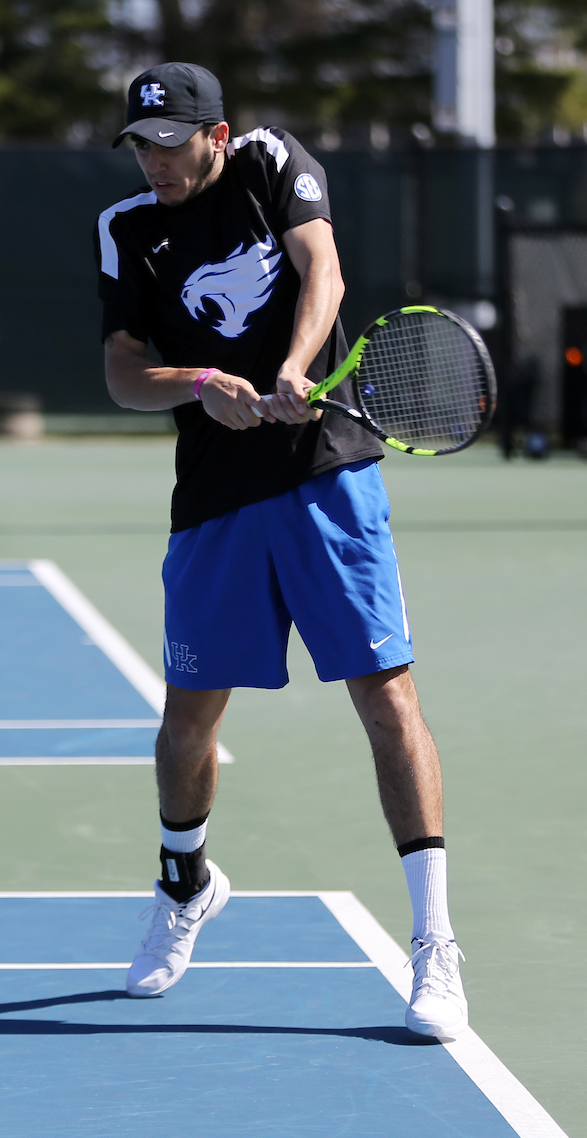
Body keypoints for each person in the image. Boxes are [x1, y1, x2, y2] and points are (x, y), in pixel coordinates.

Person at [96, 62, 468, 1040]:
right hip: (215, 501)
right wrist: (197, 383)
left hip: (326, 477)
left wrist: (295, 369)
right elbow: (123, 377)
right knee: (187, 726)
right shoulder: (127, 228)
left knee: (387, 699)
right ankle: (186, 885)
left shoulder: (271, 164)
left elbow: (325, 271)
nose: (158, 163)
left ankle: (434, 944)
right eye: (143, 145)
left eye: (173, 143)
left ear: (216, 132)